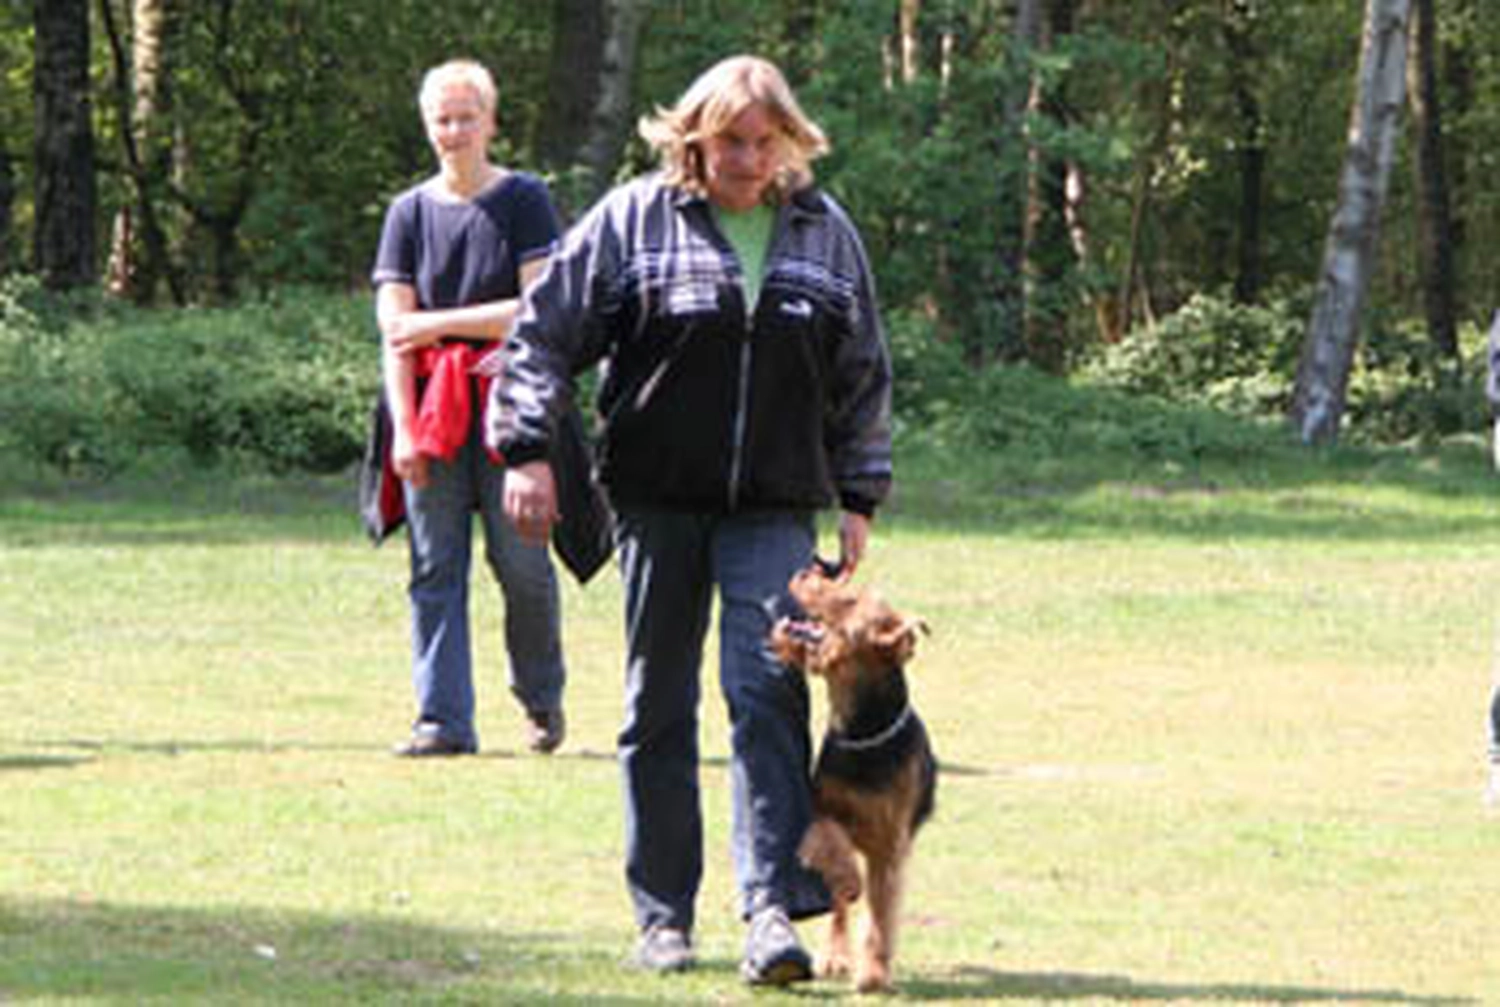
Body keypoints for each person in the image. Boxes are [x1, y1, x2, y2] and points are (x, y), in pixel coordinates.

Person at [483, 55, 893, 985]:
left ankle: (767, 916)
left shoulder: (827, 236)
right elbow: (541, 337)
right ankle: (663, 914)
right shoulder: (634, 221)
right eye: (729, 142)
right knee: (656, 705)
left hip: (776, 506)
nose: (748, 161)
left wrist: (860, 495)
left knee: (766, 693)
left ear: (792, 142)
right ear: (692, 139)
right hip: (656, 500)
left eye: (766, 142)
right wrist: (525, 449)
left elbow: (863, 370)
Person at [371, 59, 567, 758]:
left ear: (491, 120)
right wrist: (402, 428)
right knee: (434, 567)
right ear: (428, 127)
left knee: (521, 565)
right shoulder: (407, 214)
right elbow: (394, 331)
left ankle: (541, 696)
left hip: (511, 413)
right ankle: (442, 720)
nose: (454, 132)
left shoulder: (524, 200)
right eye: (441, 120)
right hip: (428, 412)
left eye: (465, 118)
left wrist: (435, 324)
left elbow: (538, 308)